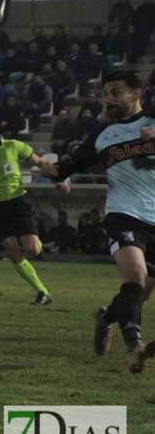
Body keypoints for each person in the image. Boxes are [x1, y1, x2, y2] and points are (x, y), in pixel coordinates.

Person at [48, 69, 155, 374]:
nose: (108, 99)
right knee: (134, 276)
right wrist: (47, 168)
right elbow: (66, 166)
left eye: (115, 92)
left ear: (136, 94)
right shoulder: (102, 135)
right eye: (107, 93)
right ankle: (134, 348)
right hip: (123, 214)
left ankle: (106, 318)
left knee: (139, 298)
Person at [0, 111, 61, 305]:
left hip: (18, 202)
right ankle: (42, 292)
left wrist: (58, 179)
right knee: (12, 250)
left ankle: (42, 247)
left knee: (33, 250)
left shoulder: (12, 146)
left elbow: (41, 163)